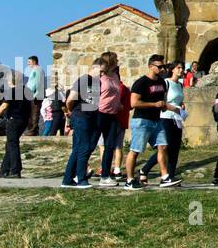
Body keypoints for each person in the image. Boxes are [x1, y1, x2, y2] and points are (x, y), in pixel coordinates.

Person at [124, 54, 181, 189]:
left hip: (157, 120)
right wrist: (154, 104)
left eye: (164, 66)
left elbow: (163, 101)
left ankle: (165, 177)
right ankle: (130, 180)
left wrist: (172, 108)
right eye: (159, 67)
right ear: (150, 67)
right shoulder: (141, 83)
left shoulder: (162, 82)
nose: (162, 69)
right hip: (142, 121)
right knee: (135, 150)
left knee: (163, 146)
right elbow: (134, 103)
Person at [61, 60, 102, 189]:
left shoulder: (98, 83)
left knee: (78, 149)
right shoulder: (84, 79)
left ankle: (67, 180)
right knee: (83, 147)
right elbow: (70, 99)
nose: (102, 75)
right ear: (94, 67)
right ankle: (81, 179)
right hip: (80, 116)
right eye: (101, 71)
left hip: (91, 117)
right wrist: (72, 111)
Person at [142, 62, 186, 181]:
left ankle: (170, 175)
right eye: (178, 68)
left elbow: (178, 99)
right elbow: (162, 101)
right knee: (165, 147)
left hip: (176, 118)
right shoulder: (166, 82)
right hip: (166, 117)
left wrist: (181, 105)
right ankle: (145, 169)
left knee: (175, 147)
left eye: (182, 68)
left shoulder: (180, 85)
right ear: (172, 70)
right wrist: (174, 108)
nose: (181, 70)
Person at [0, 63, 32, 178]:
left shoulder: (11, 91)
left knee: (12, 144)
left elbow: (3, 106)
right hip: (24, 120)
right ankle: (4, 170)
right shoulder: (27, 91)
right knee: (10, 144)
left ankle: (15, 170)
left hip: (14, 120)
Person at [96, 52, 126, 185]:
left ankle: (105, 175)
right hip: (99, 113)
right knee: (91, 144)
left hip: (112, 114)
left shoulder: (115, 75)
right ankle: (78, 172)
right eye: (116, 60)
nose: (118, 62)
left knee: (110, 145)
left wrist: (118, 103)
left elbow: (116, 91)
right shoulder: (99, 76)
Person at [25, 56, 44, 136]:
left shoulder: (37, 70)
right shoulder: (37, 70)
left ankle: (32, 131)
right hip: (34, 94)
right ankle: (32, 130)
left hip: (34, 95)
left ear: (34, 62)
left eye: (29, 62)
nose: (28, 64)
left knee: (34, 113)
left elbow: (35, 83)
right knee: (32, 113)